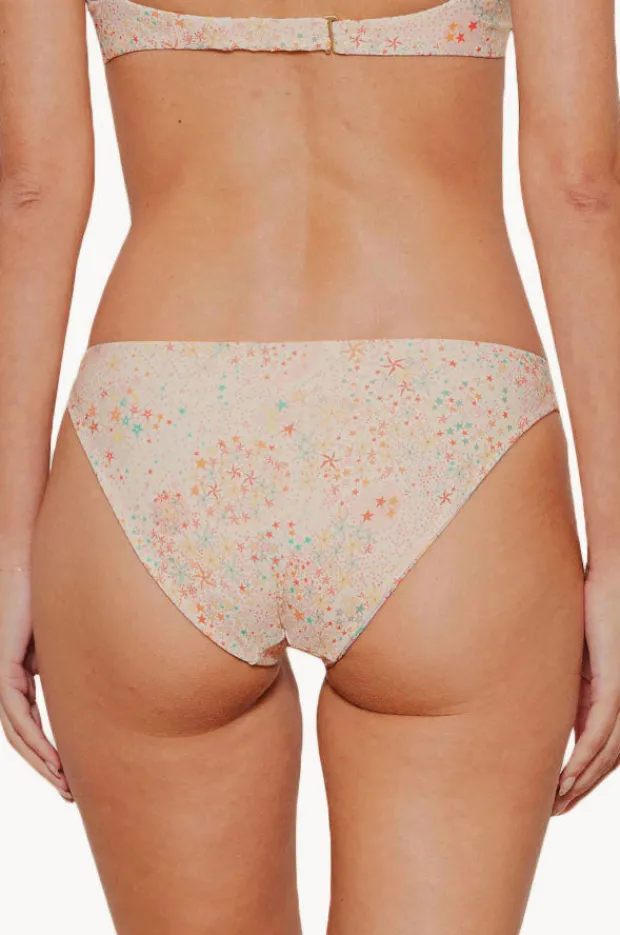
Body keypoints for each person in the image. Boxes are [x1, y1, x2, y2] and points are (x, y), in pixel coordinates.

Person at [1, 0, 620, 932]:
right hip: (446, 437)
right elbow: (581, 187)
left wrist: (9, 541)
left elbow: (30, 189)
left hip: (158, 443)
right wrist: (616, 545)